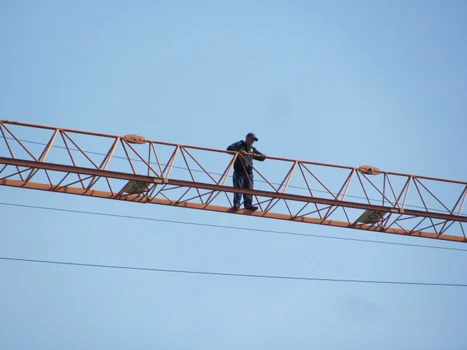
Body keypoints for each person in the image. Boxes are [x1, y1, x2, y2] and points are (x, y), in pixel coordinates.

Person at [227, 133, 266, 211]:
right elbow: (229, 149)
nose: (253, 141)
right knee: (238, 187)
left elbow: (260, 157)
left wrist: (263, 156)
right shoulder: (240, 144)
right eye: (252, 139)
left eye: (254, 140)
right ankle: (237, 204)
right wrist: (239, 152)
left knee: (249, 189)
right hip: (239, 170)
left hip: (248, 172)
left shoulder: (251, 148)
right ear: (247, 138)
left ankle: (248, 204)